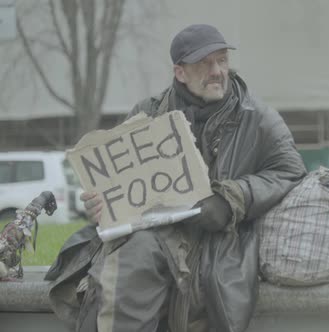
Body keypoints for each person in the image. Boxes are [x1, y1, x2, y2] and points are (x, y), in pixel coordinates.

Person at [45, 23, 307, 332]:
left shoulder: (259, 117)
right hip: (151, 236)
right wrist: (101, 206)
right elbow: (119, 188)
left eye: (222, 60)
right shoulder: (146, 114)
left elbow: (291, 171)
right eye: (205, 63)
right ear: (180, 72)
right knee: (128, 260)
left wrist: (231, 198)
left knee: (133, 262)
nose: (217, 71)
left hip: (218, 244)